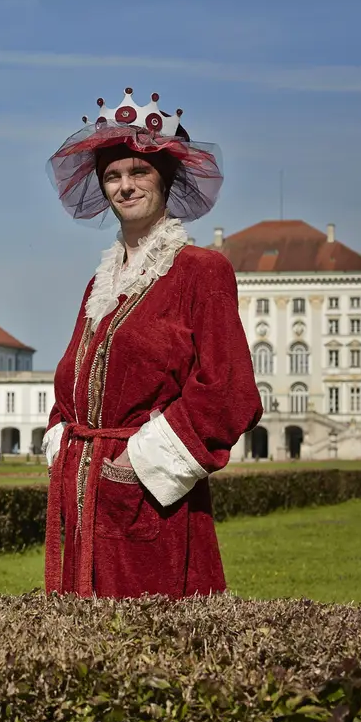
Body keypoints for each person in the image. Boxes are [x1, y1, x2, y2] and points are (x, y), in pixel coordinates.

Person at [40, 88, 262, 599]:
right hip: (82, 494)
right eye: (113, 176)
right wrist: (63, 440)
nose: (125, 185)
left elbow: (230, 392)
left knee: (149, 651)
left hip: (149, 503)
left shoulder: (201, 271)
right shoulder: (100, 283)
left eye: (138, 172)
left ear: (165, 178)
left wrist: (138, 463)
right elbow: (72, 377)